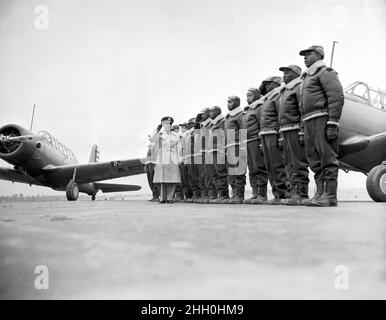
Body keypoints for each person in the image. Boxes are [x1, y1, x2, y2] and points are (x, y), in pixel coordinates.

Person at [299, 45, 344, 206]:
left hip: (322, 119)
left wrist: (332, 123)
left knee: (328, 158)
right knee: (314, 160)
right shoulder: (305, 79)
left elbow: (336, 97)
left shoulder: (326, 73)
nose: (305, 57)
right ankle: (319, 194)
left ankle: (330, 195)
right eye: (304, 55)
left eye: (308, 53)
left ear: (319, 55)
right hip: (308, 121)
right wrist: (302, 129)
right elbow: (301, 107)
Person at [278, 64, 310, 205]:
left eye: (287, 72)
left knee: (298, 162)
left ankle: (301, 193)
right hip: (285, 130)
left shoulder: (299, 87)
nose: (284, 75)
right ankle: (293, 192)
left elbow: (303, 110)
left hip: (295, 129)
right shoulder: (285, 91)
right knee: (289, 164)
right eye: (283, 72)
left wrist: (302, 130)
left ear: (296, 74)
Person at [259, 76, 289, 205]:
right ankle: (277, 193)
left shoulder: (278, 96)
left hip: (274, 133)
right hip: (265, 133)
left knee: (278, 165)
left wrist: (281, 136)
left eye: (269, 84)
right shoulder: (267, 99)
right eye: (265, 84)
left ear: (276, 84)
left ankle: (284, 193)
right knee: (270, 166)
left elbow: (281, 116)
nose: (266, 87)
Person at [243, 87, 268, 204]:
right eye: (247, 95)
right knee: (252, 169)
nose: (247, 98)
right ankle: (255, 193)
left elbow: (262, 124)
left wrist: (262, 142)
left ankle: (262, 194)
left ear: (257, 95)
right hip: (247, 142)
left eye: (250, 95)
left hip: (256, 140)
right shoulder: (248, 110)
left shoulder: (259, 107)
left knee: (259, 167)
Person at [151, 116, 181, 203]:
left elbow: (179, 148)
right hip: (162, 158)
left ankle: (170, 197)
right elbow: (152, 139)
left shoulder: (175, 135)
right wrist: (157, 129)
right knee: (162, 179)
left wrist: (180, 159)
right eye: (165, 124)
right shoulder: (159, 134)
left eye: (169, 124)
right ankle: (163, 198)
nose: (168, 125)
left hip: (173, 158)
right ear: (162, 125)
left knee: (173, 178)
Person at [224, 95, 247, 204]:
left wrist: (242, 146)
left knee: (239, 171)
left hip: (237, 145)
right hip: (229, 146)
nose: (228, 104)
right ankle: (234, 193)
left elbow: (243, 130)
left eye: (230, 102)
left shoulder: (240, 115)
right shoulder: (228, 117)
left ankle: (239, 195)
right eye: (227, 102)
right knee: (231, 172)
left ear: (237, 103)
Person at [208, 106, 229, 203]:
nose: (210, 113)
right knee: (216, 173)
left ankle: (224, 195)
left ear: (217, 112)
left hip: (219, 151)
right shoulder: (213, 124)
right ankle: (220, 194)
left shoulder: (222, 122)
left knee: (221, 173)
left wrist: (222, 150)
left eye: (212, 111)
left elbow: (224, 137)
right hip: (213, 151)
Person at [178, 122, 193, 201]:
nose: (182, 128)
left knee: (188, 179)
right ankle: (187, 196)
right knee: (184, 180)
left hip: (186, 160)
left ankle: (190, 195)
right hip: (182, 161)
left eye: (183, 126)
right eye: (181, 127)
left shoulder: (187, 135)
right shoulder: (182, 136)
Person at [145, 128, 160, 202]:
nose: (149, 138)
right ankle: (154, 195)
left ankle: (156, 195)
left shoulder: (156, 145)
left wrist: (156, 165)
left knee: (155, 181)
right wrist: (146, 165)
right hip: (149, 164)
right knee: (150, 181)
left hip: (154, 164)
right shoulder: (150, 145)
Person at [171, 124, 184, 202]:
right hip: (175, 161)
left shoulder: (179, 137)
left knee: (180, 179)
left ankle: (180, 195)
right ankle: (178, 195)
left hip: (178, 161)